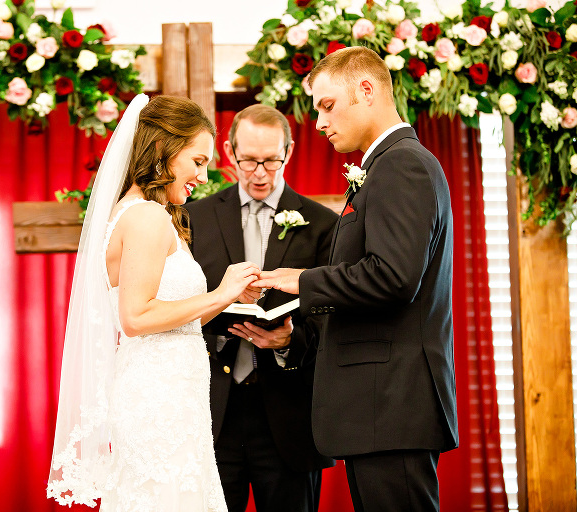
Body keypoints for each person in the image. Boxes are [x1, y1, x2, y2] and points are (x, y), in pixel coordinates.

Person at [254, 47, 458, 511]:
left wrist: (303, 281)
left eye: (327, 106)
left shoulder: (401, 164)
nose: (319, 123)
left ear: (366, 90)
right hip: (379, 408)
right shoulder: (386, 164)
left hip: (391, 403)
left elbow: (394, 277)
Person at [47, 94, 259, 511]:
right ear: (163, 148)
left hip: (173, 397)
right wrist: (218, 293)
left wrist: (228, 296)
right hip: (159, 404)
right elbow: (136, 316)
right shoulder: (146, 216)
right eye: (198, 161)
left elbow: (175, 321)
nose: (204, 175)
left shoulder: (145, 213)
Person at [185, 104, 337, 512]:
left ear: (289, 151)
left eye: (272, 160)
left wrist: (289, 341)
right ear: (229, 152)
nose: (259, 173)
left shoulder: (322, 224)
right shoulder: (194, 218)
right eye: (248, 160)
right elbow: (179, 303)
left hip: (289, 414)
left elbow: (333, 317)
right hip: (212, 409)